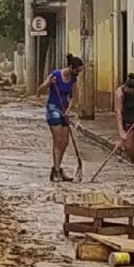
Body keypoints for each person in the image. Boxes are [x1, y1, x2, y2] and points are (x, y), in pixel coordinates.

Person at [38, 54, 85, 182]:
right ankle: (57, 170)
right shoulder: (55, 75)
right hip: (53, 108)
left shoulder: (73, 79)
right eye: (77, 71)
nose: (78, 74)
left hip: (64, 110)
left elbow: (72, 97)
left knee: (65, 142)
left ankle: (56, 168)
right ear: (71, 67)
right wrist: (48, 83)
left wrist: (69, 110)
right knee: (58, 141)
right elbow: (39, 91)